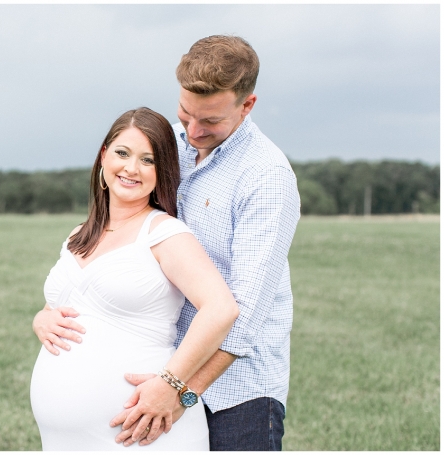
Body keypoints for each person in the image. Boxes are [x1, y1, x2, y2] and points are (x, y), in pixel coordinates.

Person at [34, 35, 301, 451]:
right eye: (185, 114)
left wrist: (180, 389)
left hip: (236, 390)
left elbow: (243, 314)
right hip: (159, 368)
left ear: (246, 105)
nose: (192, 132)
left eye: (209, 121)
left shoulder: (266, 177)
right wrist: (47, 316)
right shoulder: (169, 144)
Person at [30, 107, 240, 451]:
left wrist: (172, 384)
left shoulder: (165, 234)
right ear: (103, 156)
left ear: (163, 171)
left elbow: (221, 308)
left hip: (143, 433)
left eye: (148, 160)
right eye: (122, 153)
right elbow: (60, 305)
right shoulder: (78, 235)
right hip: (63, 440)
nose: (131, 168)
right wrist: (41, 319)